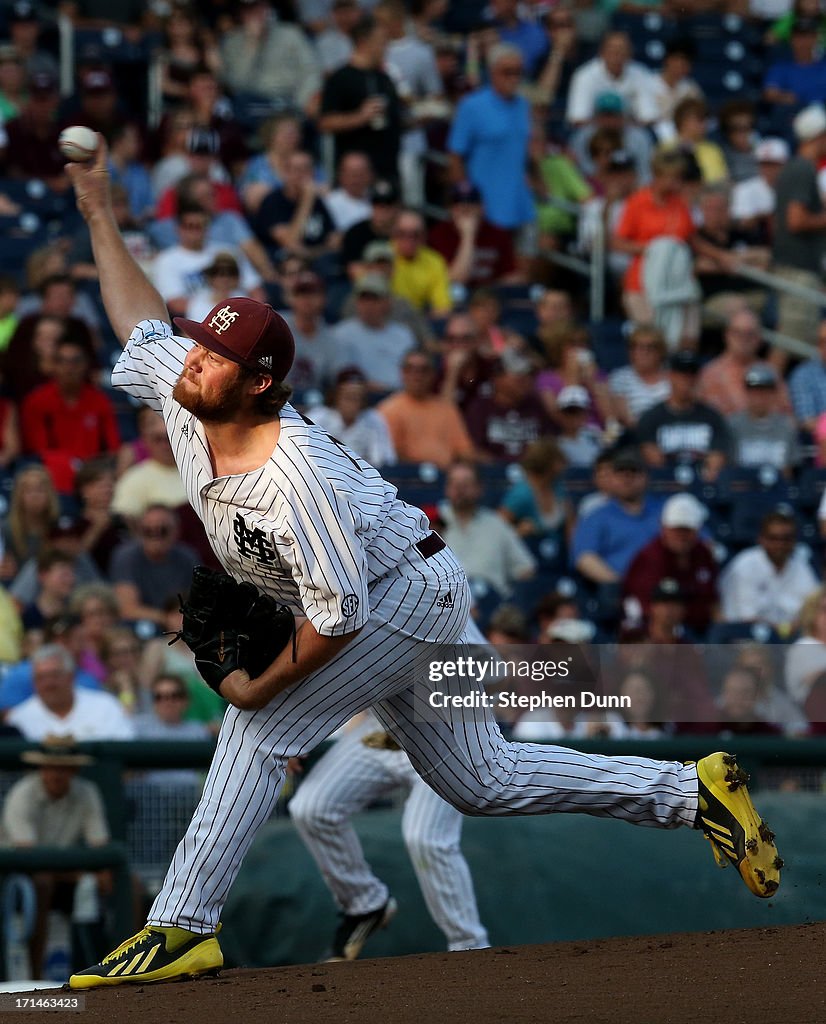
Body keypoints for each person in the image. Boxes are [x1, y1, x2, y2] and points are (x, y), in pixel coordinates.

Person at [64, 139, 780, 987]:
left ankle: (182, 924)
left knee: (257, 730)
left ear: (258, 383)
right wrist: (101, 212)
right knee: (484, 778)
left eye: (215, 356)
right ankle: (691, 793)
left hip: (395, 596)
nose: (193, 359)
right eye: (201, 344)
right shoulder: (194, 393)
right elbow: (141, 323)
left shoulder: (292, 474)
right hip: (410, 579)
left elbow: (339, 617)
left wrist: (258, 688)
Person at [289, 709, 489, 959]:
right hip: (382, 727)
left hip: (445, 728)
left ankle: (470, 946)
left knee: (425, 838)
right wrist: (295, 732)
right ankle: (365, 905)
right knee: (312, 808)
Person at [0, 736, 112, 979]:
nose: (56, 774)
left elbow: (100, 847)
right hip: (17, 881)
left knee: (126, 885)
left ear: (74, 769)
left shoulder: (86, 792)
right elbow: (27, 855)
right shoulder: (22, 794)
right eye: (50, 766)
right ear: (41, 768)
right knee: (42, 882)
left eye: (63, 767)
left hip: (69, 876)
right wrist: (81, 872)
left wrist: (99, 875)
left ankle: (123, 970)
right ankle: (34, 978)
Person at [447, 43, 534, 232]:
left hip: (521, 206)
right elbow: (455, 157)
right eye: (507, 72)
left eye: (518, 72)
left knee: (525, 260)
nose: (514, 78)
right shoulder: (471, 106)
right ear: (492, 72)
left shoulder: (524, 105)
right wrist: (466, 201)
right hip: (486, 208)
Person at [20, 336, 121, 494]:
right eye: (62, 361)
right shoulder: (37, 401)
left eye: (76, 361)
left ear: (86, 365)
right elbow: (37, 450)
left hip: (92, 475)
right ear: (53, 366)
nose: (69, 368)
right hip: (53, 474)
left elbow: (113, 448)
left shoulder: (99, 400)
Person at [319, 13, 402, 183]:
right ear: (364, 42)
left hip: (388, 170)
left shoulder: (384, 78)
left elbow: (394, 118)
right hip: (355, 176)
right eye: (381, 42)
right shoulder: (341, 78)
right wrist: (360, 117)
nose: (386, 47)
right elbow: (325, 122)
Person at [622, 493, 718, 637]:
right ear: (664, 527)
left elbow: (711, 598)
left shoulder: (702, 553)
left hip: (699, 627)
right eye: (676, 529)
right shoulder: (649, 557)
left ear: (697, 530)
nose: (681, 536)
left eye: (687, 530)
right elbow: (645, 606)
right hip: (653, 629)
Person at [437, 459, 535, 599]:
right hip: (447, 601)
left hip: (492, 603)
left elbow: (526, 568)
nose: (459, 489)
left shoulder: (496, 523)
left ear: (479, 488)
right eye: (454, 483)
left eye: (466, 484)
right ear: (446, 488)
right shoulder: (431, 521)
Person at [772, 104, 826, 347]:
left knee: (794, 340)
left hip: (797, 267)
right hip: (798, 269)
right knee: (790, 343)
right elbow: (796, 220)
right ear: (818, 136)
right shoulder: (803, 168)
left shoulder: (797, 167)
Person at [571, 447, 662, 586]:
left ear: (646, 476)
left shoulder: (665, 511)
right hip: (616, 590)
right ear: (612, 478)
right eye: (621, 473)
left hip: (665, 592)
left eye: (633, 472)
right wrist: (619, 584)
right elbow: (584, 558)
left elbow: (702, 544)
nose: (627, 478)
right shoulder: (597, 516)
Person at [636, 351, 732, 482]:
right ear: (669, 375)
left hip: (702, 485)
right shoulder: (652, 417)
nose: (687, 379)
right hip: (665, 485)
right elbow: (654, 461)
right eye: (681, 373)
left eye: (691, 374)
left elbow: (716, 461)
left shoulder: (712, 417)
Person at [6, 644, 135, 741]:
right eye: (41, 677)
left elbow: (128, 755)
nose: (49, 684)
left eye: (55, 675)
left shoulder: (105, 706)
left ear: (71, 676)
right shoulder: (19, 718)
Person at [219, 0, 322, 117]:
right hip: (254, 104)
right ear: (240, 13)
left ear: (267, 7)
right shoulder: (232, 41)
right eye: (249, 10)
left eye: (258, 7)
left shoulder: (291, 33)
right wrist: (251, 46)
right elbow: (238, 85)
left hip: (291, 101)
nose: (255, 13)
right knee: (240, 103)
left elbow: (310, 70)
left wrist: (304, 100)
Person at [719, 509, 818, 630]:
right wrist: (784, 630)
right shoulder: (745, 565)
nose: (780, 544)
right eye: (773, 538)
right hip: (744, 637)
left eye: (786, 539)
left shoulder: (801, 566)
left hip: (789, 635)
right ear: (761, 539)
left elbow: (813, 611)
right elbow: (746, 619)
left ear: (794, 541)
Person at [377, 351, 474, 468]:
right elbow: (393, 456)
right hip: (408, 478)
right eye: (410, 369)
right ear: (402, 373)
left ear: (432, 374)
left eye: (423, 370)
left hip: (446, 476)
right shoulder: (388, 409)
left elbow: (464, 452)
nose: (417, 375)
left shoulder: (446, 408)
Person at [109, 504, 199, 628]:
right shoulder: (126, 556)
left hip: (181, 625)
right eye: (148, 531)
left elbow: (200, 602)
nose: (155, 536)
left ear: (176, 531)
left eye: (163, 530)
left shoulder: (187, 557)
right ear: (139, 531)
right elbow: (127, 609)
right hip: (141, 627)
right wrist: (170, 619)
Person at [697, 309, 792, 417]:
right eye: (738, 333)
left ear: (759, 338)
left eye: (750, 334)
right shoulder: (710, 374)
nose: (743, 339)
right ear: (727, 335)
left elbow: (786, 415)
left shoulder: (770, 373)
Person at [333, 274, 417, 393]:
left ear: (387, 302)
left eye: (374, 299)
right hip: (362, 399)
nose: (368, 305)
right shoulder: (341, 334)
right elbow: (343, 377)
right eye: (364, 299)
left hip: (400, 397)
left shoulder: (404, 334)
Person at [307, 367, 396, 468]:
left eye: (357, 398)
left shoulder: (374, 419)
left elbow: (383, 460)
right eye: (348, 397)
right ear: (336, 396)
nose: (352, 404)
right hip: (324, 473)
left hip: (363, 477)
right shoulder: (318, 417)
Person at [566, 32, 658, 127]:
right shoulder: (584, 75)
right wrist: (609, 125)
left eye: (622, 49)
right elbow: (578, 118)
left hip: (628, 130)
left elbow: (648, 117)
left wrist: (618, 124)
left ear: (630, 53)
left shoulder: (641, 74)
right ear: (601, 52)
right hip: (594, 130)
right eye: (612, 49)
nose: (617, 53)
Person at [728, 365, 801, 473]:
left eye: (764, 391)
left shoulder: (786, 425)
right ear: (746, 392)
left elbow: (790, 471)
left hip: (778, 487)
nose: (759, 396)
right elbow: (729, 469)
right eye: (754, 391)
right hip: (743, 487)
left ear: (773, 393)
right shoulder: (732, 424)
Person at [609, 325, 671, 428]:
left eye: (650, 347)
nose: (643, 352)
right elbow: (626, 419)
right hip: (636, 435)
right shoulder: (620, 378)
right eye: (636, 347)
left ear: (661, 351)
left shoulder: (672, 377)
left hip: (669, 434)